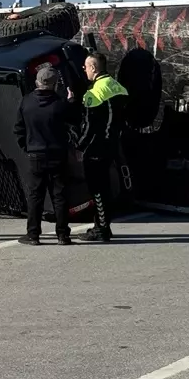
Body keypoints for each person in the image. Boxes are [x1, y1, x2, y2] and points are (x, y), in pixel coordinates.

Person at [13, 65, 76, 246]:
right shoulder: (60, 104)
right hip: (57, 153)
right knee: (60, 195)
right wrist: (71, 102)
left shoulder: (26, 102)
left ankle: (33, 235)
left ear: (37, 82)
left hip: (35, 154)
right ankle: (63, 234)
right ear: (55, 85)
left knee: (35, 196)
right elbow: (74, 120)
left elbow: (18, 128)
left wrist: (27, 147)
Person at [76, 51, 128, 242]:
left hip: (96, 147)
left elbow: (90, 126)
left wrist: (79, 146)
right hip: (113, 145)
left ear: (93, 68)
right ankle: (101, 225)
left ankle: (102, 229)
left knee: (97, 189)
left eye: (85, 66)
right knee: (105, 187)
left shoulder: (94, 93)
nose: (84, 70)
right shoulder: (118, 87)